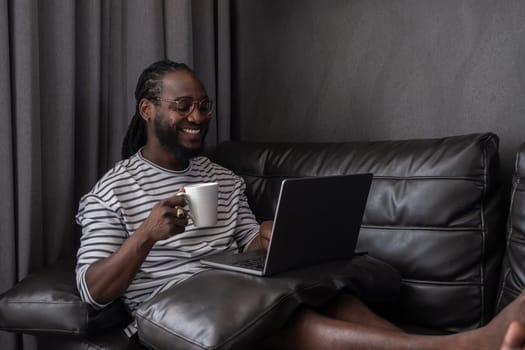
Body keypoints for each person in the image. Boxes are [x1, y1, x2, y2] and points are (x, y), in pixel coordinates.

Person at [76, 59, 525, 350]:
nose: (198, 117)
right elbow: (93, 290)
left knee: (331, 295)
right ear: (148, 110)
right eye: (184, 106)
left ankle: (451, 344)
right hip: (173, 312)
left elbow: (244, 241)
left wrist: (273, 235)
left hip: (235, 290)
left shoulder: (222, 178)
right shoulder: (113, 191)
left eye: (205, 105)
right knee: (290, 324)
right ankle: (466, 344)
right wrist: (145, 236)